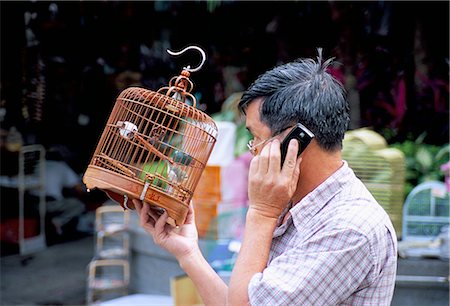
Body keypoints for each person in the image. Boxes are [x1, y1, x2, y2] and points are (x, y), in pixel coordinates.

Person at [133, 49, 398, 305]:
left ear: (296, 140)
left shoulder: (349, 229)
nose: (253, 154)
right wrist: (188, 252)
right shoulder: (295, 204)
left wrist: (261, 213)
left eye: (257, 139)